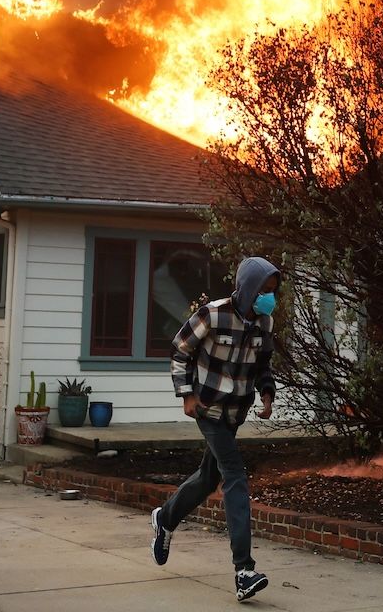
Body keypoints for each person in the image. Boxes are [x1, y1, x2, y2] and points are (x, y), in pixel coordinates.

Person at [150, 257, 279, 602]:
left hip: (235, 412)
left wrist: (267, 394)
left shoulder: (264, 323)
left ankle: (166, 517)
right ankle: (244, 571)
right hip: (207, 408)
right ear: (249, 288)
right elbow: (179, 352)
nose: (269, 298)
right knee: (235, 474)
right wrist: (186, 395)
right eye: (264, 291)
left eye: (272, 292)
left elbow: (264, 364)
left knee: (209, 477)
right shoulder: (212, 314)